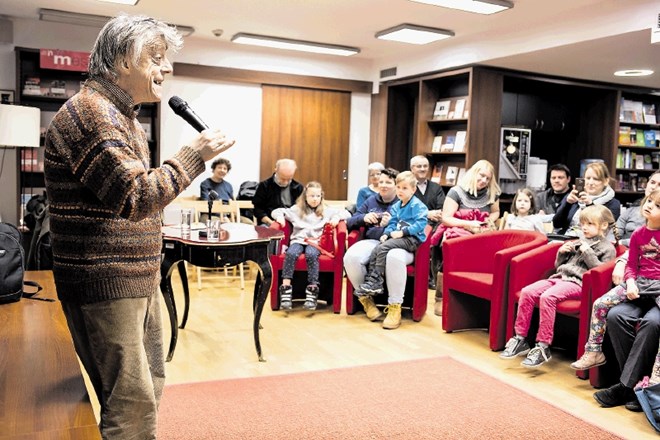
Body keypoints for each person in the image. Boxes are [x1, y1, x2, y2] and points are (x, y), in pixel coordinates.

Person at [43, 15, 235, 439]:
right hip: (106, 285)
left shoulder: (121, 114)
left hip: (134, 279)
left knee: (149, 388)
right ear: (122, 61)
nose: (166, 69)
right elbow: (136, 197)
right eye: (156, 58)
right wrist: (193, 156)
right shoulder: (91, 114)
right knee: (130, 404)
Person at [499, 205, 616, 368]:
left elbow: (600, 272)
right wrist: (561, 253)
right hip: (559, 277)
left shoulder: (608, 248)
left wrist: (587, 252)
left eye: (590, 224)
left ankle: (542, 346)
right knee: (527, 292)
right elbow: (558, 266)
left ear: (603, 225)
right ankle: (520, 338)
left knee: (548, 297)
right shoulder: (578, 241)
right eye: (583, 224)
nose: (584, 228)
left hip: (578, 283)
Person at [571, 188, 660, 371]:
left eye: (658, 205)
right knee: (600, 304)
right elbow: (631, 265)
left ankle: (657, 371)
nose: (650, 206)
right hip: (639, 281)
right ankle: (594, 351)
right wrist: (631, 282)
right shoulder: (637, 235)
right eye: (650, 201)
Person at [356, 171, 428, 329]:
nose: (401, 190)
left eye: (405, 188)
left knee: (385, 247)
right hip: (397, 237)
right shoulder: (396, 205)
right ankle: (373, 280)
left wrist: (403, 232)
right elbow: (392, 223)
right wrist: (387, 233)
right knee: (379, 247)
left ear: (413, 190)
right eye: (399, 187)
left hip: (411, 239)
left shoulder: (417, 205)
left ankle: (376, 279)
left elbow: (421, 223)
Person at [433, 159, 501, 315]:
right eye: (481, 176)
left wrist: (489, 219)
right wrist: (467, 225)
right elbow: (446, 218)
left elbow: (496, 212)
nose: (484, 180)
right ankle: (440, 297)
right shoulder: (456, 191)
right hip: (458, 228)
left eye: (487, 178)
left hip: (481, 230)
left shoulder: (492, 193)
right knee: (451, 248)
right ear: (473, 173)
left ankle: (476, 297)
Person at [272, 181, 349, 311]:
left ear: (321, 197)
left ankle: (312, 289)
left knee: (311, 254)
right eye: (311, 196)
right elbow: (277, 211)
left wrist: (336, 218)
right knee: (291, 254)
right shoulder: (296, 210)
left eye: (318, 196)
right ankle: (286, 289)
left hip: (315, 243)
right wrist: (279, 217)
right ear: (305, 197)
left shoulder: (326, 211)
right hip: (298, 241)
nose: (315, 199)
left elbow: (347, 213)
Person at [344, 167, 399, 316]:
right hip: (372, 241)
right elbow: (350, 221)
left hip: (394, 245)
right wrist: (364, 218)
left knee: (393, 258)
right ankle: (366, 300)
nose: (383, 185)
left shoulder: (402, 201)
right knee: (350, 258)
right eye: (381, 181)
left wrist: (392, 222)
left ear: (396, 185)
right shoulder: (371, 200)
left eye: (388, 182)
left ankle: (395, 306)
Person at [553, 161, 621, 236]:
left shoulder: (613, 204)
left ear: (606, 181)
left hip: (592, 243)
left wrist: (590, 204)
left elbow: (602, 229)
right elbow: (556, 224)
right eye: (588, 178)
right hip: (566, 238)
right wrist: (567, 203)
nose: (590, 182)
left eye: (596, 179)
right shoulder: (575, 196)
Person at [253, 158, 304, 226]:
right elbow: (258, 210)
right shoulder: (264, 186)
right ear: (276, 169)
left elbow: (302, 209)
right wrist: (271, 222)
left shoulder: (298, 187)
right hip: (269, 222)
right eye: (282, 179)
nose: (285, 182)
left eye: (289, 179)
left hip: (292, 223)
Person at [616, 171, 660, 246]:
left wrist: (621, 243)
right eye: (652, 182)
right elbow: (614, 234)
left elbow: (649, 240)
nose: (653, 187)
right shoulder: (630, 211)